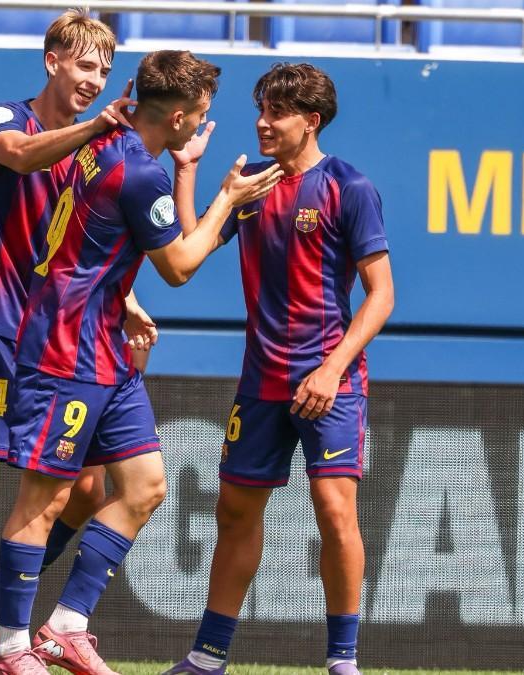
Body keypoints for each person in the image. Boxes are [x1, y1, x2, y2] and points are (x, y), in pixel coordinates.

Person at [0, 50, 282, 675]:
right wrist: (228, 197)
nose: (203, 121)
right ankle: (9, 643)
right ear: (177, 117)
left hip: (104, 348)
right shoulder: (133, 169)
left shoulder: (112, 139)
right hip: (65, 347)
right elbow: (178, 266)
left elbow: (143, 234)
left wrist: (186, 173)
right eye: (199, 114)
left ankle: (66, 624)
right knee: (44, 502)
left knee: (145, 487)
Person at [0, 13, 156, 675]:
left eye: (104, 71)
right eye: (84, 66)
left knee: (88, 482)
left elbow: (84, 240)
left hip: (62, 333)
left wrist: (129, 302)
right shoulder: (3, 117)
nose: (94, 80)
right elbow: (18, 154)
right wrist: (97, 127)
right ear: (52, 61)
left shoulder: (92, 147)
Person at [163, 62, 393, 675]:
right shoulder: (252, 186)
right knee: (236, 513)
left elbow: (381, 295)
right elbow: (191, 244)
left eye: (277, 113)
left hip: (329, 382)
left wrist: (332, 369)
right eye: (261, 109)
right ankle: (207, 658)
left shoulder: (350, 187)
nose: (262, 123)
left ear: (310, 122)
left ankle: (343, 663)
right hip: (261, 380)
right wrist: (185, 171)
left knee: (335, 510)